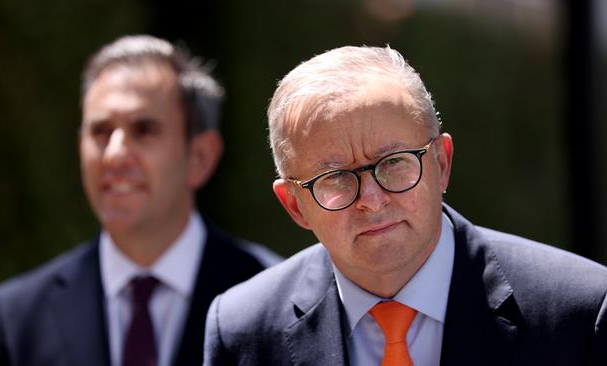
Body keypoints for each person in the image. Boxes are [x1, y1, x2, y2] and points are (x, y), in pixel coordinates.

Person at [203, 45, 607, 366]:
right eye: (335, 178)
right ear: (294, 206)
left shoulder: (580, 312)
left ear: (441, 164)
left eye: (393, 164)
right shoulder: (243, 328)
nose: (372, 200)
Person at [0, 35, 280, 366]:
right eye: (100, 131)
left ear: (200, 157)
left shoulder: (277, 300)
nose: (115, 154)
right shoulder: (15, 318)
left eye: (144, 130)